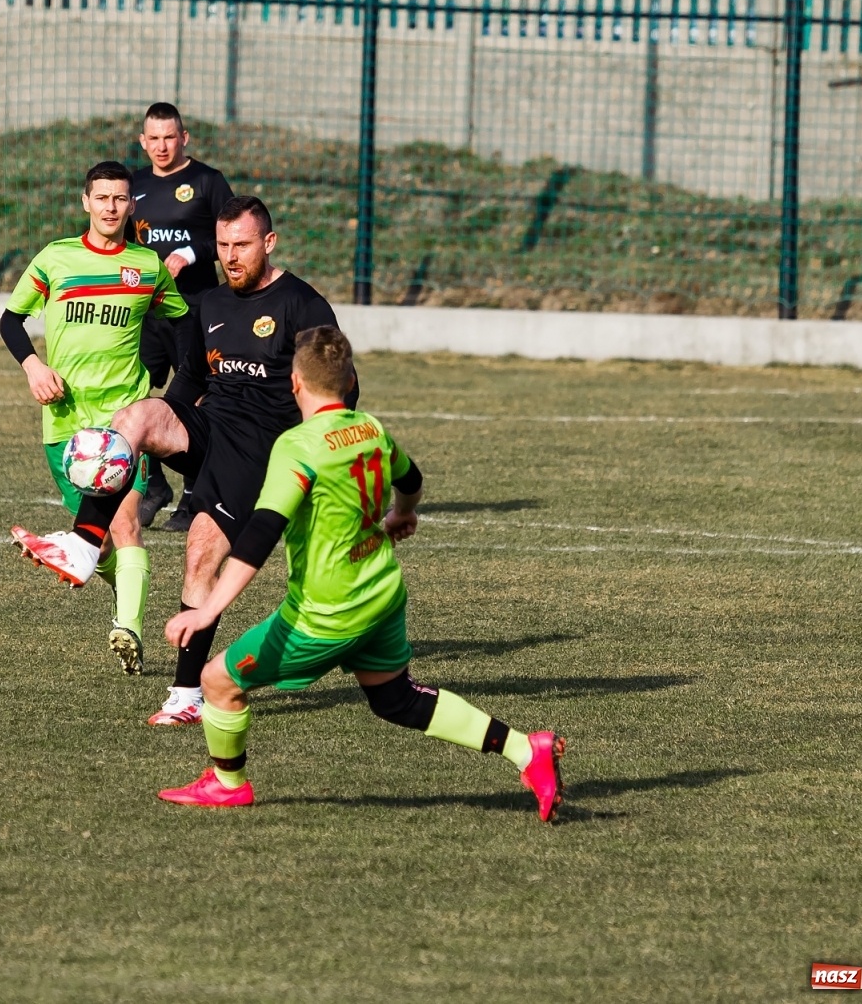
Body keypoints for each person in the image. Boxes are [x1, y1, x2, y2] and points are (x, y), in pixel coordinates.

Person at [157, 326, 566, 820]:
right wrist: (402, 512)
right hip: (381, 594)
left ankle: (227, 784)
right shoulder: (370, 428)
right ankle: (527, 750)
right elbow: (411, 478)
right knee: (395, 700)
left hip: (326, 612)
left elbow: (262, 532)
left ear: (295, 385)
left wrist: (208, 612)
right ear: (349, 381)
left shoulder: (299, 444)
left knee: (217, 680)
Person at [12, 196, 350, 726]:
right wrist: (161, 423)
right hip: (210, 426)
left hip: (260, 449)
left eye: (241, 245)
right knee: (136, 416)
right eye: (222, 246)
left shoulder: (303, 306)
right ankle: (84, 542)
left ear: (269, 242)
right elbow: (191, 380)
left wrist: (320, 458)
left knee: (200, 554)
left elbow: (339, 390)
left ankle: (188, 693)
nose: (231, 256)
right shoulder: (211, 305)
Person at [1, 161, 193, 677]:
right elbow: (10, 319)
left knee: (126, 523)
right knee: (99, 541)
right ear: (85, 202)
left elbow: (183, 324)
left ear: (133, 205)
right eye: (102, 197)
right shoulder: (56, 259)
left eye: (120, 198)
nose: (111, 207)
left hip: (122, 425)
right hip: (65, 424)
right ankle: (111, 583)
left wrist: (184, 391)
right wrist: (33, 366)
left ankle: (127, 626)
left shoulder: (146, 266)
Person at [129, 102, 233, 531]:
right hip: (145, 313)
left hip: (195, 311)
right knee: (131, 393)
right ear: (142, 141)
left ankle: (193, 497)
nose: (161, 146)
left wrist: (190, 253)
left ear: (184, 137)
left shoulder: (208, 182)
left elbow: (231, 236)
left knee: (193, 400)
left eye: (169, 137)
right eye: (153, 138)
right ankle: (152, 486)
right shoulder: (132, 185)